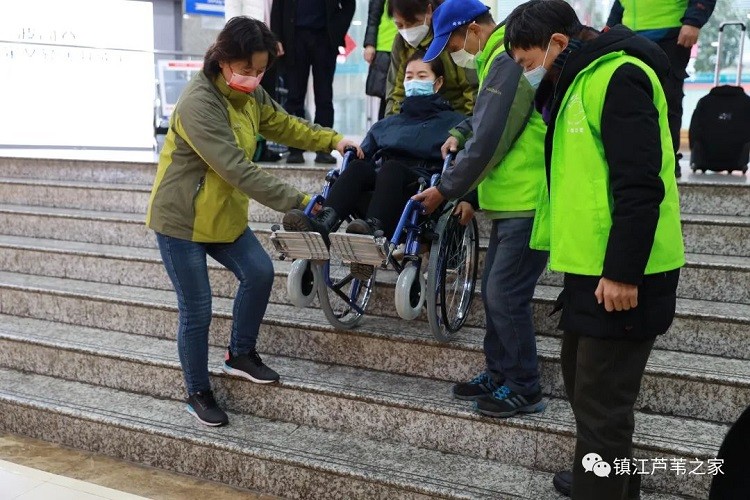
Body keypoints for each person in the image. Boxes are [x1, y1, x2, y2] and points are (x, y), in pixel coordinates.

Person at [504, 1, 685, 498]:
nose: (526, 74)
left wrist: (624, 272)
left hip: (628, 274)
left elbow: (639, 186)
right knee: (587, 391)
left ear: (558, 43)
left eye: (527, 62)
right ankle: (601, 479)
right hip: (590, 271)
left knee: (603, 404)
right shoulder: (577, 84)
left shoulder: (620, 76)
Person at [146, 17, 361, 427]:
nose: (254, 77)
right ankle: (197, 392)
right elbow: (237, 169)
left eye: (260, 70)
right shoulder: (198, 104)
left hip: (223, 214)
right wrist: (300, 202)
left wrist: (333, 140)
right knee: (198, 309)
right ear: (223, 60)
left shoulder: (250, 95)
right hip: (181, 220)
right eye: (247, 70)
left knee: (260, 273)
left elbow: (284, 124)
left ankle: (240, 354)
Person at [412, 0, 549, 419]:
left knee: (505, 293)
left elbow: (489, 136)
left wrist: (447, 191)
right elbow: (484, 119)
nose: (455, 52)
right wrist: (458, 131)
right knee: (494, 291)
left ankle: (525, 386)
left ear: (472, 29)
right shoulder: (497, 61)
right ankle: (499, 372)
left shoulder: (507, 60)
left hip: (528, 200)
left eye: (454, 41)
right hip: (508, 199)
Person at [282, 51, 476, 279]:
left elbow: (469, 164)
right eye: (409, 76)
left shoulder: (455, 125)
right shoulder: (385, 125)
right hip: (378, 192)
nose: (414, 82)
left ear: (438, 82)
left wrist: (468, 198)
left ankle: (372, 236)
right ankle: (322, 225)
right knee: (358, 167)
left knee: (391, 168)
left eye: (421, 76)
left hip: (420, 195)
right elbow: (363, 157)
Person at [607, 0, 716, 177]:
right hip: (629, 35)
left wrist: (693, 21)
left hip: (669, 33)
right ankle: (634, 161)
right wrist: (611, 26)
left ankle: (667, 164)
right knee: (628, 100)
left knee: (667, 101)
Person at [271, 0, 356, 165]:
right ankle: (295, 149)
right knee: (294, 97)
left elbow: (349, 5)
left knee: (324, 97)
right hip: (293, 39)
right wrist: (276, 38)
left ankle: (324, 149)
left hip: (324, 39)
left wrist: (337, 31)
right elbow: (278, 7)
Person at [385, 0, 477, 116]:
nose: (407, 31)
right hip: (412, 123)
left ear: (429, 11)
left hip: (454, 121)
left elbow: (472, 90)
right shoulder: (400, 43)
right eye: (399, 25)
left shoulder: (453, 36)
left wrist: (463, 130)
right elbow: (395, 93)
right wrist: (392, 127)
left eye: (413, 22)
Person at [364, 0, 399, 120]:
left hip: (411, 43)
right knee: (386, 97)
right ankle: (382, 135)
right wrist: (370, 44)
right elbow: (373, 15)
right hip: (385, 46)